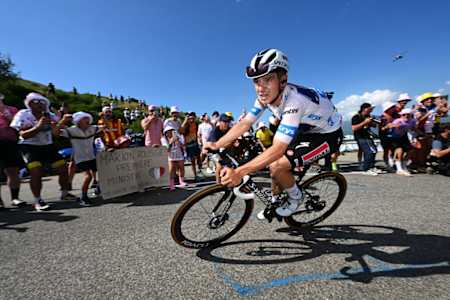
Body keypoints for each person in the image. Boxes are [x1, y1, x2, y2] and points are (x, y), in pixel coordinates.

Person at [205, 49, 343, 217]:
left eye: (268, 79)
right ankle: (275, 200)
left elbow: (277, 148)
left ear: (283, 80)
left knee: (277, 165)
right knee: (274, 169)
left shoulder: (294, 101)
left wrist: (240, 171)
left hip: (328, 135)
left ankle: (295, 197)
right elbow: (246, 123)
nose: (260, 88)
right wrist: (217, 144)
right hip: (306, 129)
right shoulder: (266, 96)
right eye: (256, 81)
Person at [10, 93, 77, 211]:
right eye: (37, 102)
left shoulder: (49, 115)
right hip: (29, 147)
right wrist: (39, 126)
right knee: (36, 171)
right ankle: (38, 200)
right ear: (29, 103)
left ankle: (65, 194)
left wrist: (62, 122)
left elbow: (55, 134)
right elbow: (23, 135)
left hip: (48, 145)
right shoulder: (23, 114)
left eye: (43, 102)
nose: (41, 104)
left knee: (63, 168)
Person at [60, 112, 104, 205]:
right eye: (84, 118)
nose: (87, 120)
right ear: (78, 121)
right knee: (88, 177)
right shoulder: (71, 131)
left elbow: (105, 127)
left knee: (104, 172)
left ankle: (99, 188)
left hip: (91, 157)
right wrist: (63, 120)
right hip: (80, 158)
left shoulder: (93, 128)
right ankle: (83, 197)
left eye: (87, 118)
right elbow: (55, 132)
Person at [0, 93, 25, 209]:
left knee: (13, 171)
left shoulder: (12, 109)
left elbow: (19, 125)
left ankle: (15, 198)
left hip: (10, 142)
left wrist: (6, 114)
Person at [351, 103, 380, 175]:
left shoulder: (368, 116)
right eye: (370, 109)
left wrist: (372, 122)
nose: (371, 110)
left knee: (374, 150)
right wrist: (365, 122)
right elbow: (354, 128)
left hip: (367, 136)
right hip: (360, 137)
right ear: (364, 108)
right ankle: (366, 169)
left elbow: (374, 125)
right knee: (370, 151)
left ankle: (371, 167)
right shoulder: (356, 117)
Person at [387, 108, 417, 176]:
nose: (406, 116)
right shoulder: (398, 121)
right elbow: (390, 125)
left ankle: (404, 165)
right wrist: (394, 126)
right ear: (401, 115)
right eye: (404, 115)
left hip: (403, 137)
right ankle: (399, 169)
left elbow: (414, 129)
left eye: (408, 115)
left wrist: (418, 136)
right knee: (399, 150)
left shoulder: (412, 121)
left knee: (411, 150)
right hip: (394, 137)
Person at [205, 113, 233, 182]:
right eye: (225, 122)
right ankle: (218, 184)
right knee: (219, 166)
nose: (227, 123)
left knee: (229, 164)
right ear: (220, 122)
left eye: (228, 122)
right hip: (212, 150)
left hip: (222, 148)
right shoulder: (215, 131)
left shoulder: (229, 129)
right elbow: (213, 146)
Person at [161, 125, 187, 191]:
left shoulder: (178, 137)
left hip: (179, 155)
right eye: (168, 132)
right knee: (171, 170)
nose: (170, 133)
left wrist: (179, 141)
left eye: (171, 131)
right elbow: (167, 149)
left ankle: (181, 181)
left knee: (181, 168)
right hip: (171, 156)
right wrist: (171, 142)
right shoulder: (163, 139)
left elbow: (183, 146)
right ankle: (171, 185)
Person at [180, 112, 202, 181]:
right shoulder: (185, 125)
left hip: (196, 144)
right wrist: (185, 121)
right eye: (190, 118)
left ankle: (200, 172)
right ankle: (195, 175)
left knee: (199, 159)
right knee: (192, 161)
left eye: (193, 117)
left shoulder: (196, 124)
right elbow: (180, 131)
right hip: (189, 146)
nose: (191, 119)